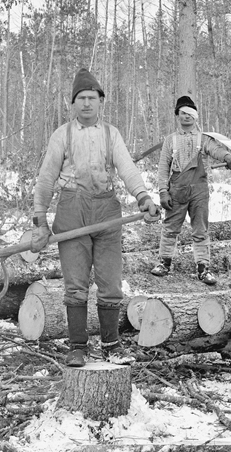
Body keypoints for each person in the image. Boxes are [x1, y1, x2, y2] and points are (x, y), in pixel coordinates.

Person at [31, 67, 160, 368]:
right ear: (73, 104)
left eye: (92, 98)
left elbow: (127, 168)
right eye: (81, 99)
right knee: (75, 284)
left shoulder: (110, 134)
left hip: (106, 212)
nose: (87, 103)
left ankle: (111, 346)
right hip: (72, 211)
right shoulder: (61, 135)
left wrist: (143, 197)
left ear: (101, 102)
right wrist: (40, 220)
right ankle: (77, 347)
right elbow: (46, 179)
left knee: (111, 283)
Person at [151, 95, 231, 285]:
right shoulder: (170, 141)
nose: (187, 117)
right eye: (183, 113)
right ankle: (164, 263)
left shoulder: (204, 139)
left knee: (200, 229)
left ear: (196, 117)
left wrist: (227, 156)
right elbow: (162, 168)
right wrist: (162, 191)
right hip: (176, 189)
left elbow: (215, 150)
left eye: (190, 113)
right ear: (177, 116)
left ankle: (203, 268)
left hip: (199, 190)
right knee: (170, 228)